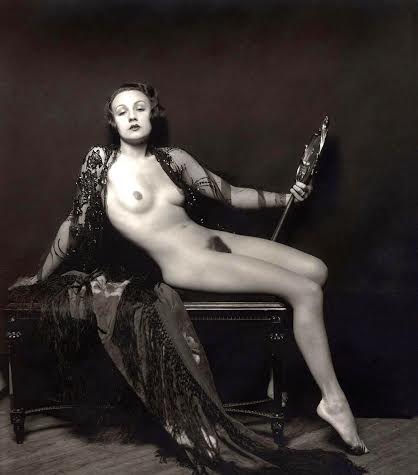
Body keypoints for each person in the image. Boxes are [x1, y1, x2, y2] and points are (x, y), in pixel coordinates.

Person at [9, 82, 368, 474]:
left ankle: (276, 372)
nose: (132, 116)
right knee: (305, 291)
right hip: (186, 260)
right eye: (122, 111)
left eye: (140, 107)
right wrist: (39, 276)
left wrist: (287, 197)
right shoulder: (101, 165)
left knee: (317, 270)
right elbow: (73, 227)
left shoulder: (173, 160)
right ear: (112, 122)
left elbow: (229, 194)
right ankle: (333, 400)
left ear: (153, 112)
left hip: (213, 240)